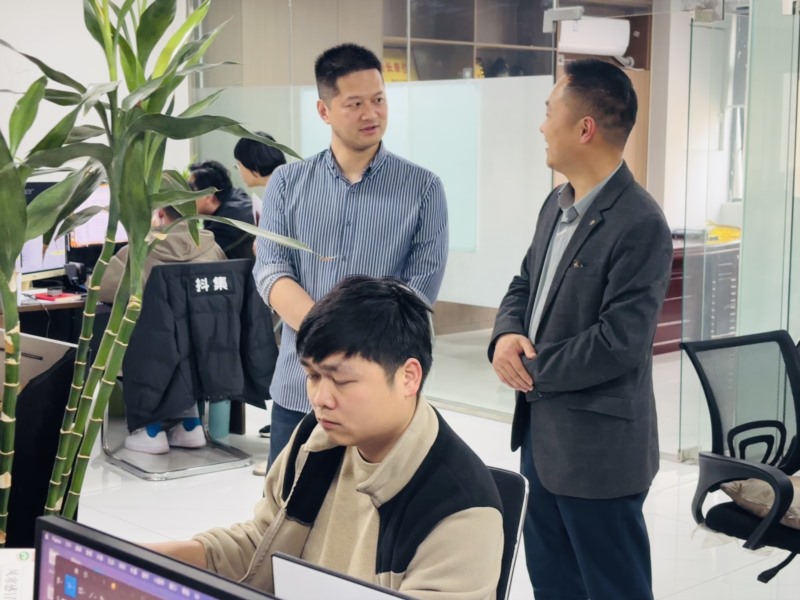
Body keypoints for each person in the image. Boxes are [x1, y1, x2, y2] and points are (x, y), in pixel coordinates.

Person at [148, 276, 503, 599]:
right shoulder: (316, 442)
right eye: (313, 376)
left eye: (342, 380)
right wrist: (150, 560)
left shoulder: (459, 509)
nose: (320, 398)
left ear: (409, 377)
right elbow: (263, 544)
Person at [488, 58, 673, 600]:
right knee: (553, 585)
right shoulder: (556, 203)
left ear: (584, 128)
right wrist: (505, 336)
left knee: (614, 590)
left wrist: (530, 369)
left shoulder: (640, 222)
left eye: (550, 113)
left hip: (599, 456)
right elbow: (525, 282)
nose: (542, 126)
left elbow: (620, 342)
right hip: (542, 443)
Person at [254, 43, 449, 467]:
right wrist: (331, 343)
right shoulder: (287, 183)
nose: (371, 113)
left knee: (373, 507)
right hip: (299, 389)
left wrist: (352, 355)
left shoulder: (423, 188)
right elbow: (271, 271)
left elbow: (418, 292)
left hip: (380, 399)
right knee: (286, 504)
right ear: (324, 111)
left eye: (378, 100)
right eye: (355, 103)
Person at [98, 205, 227, 453]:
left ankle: (149, 429)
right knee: (180, 345)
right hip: (205, 348)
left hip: (154, 353)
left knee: (138, 338)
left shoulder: (139, 250)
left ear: (159, 214)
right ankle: (190, 425)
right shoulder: (213, 247)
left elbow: (102, 288)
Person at [189, 160, 256, 260]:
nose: (183, 197)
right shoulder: (236, 195)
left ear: (208, 195)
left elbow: (192, 253)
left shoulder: (228, 222)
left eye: (189, 190)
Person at [233, 131, 287, 224]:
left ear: (253, 165)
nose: (238, 170)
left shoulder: (279, 199)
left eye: (239, 164)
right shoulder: (282, 187)